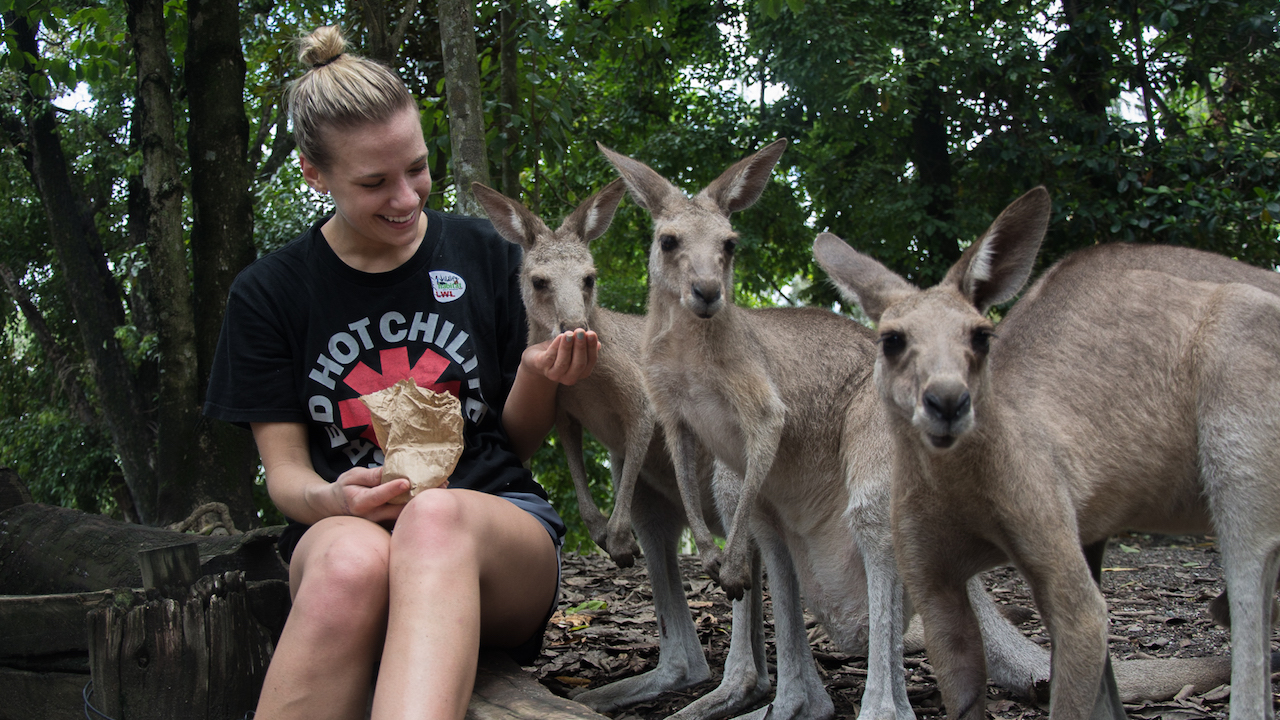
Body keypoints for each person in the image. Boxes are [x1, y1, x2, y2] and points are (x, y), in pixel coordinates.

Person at [203, 25, 598, 720]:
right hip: (344, 532)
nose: (408, 197)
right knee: (354, 559)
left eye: (416, 168)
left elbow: (514, 446)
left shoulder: (485, 255)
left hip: (491, 537)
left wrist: (538, 375)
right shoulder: (269, 293)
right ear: (313, 173)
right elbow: (288, 477)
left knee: (433, 520)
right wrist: (335, 500)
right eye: (374, 182)